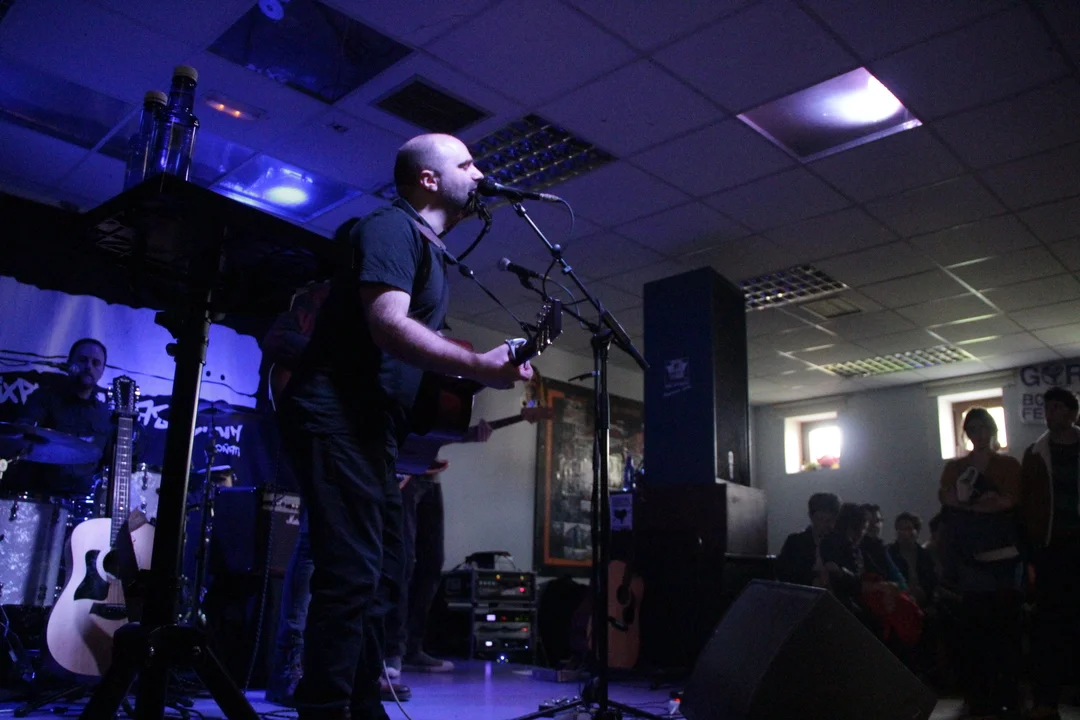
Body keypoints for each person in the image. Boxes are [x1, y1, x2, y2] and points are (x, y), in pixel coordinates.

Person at [275, 133, 533, 720]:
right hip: (336, 417)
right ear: (428, 179)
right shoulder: (391, 227)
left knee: (382, 572)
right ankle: (325, 709)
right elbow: (388, 326)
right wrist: (478, 365)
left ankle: (363, 705)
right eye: (467, 163)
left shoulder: (431, 252)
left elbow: (403, 361)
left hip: (375, 431)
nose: (480, 174)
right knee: (349, 573)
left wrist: (484, 372)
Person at [940, 407, 1023, 720]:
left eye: (983, 427)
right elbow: (948, 498)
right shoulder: (955, 467)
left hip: (1003, 555)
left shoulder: (1008, 465)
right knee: (975, 628)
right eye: (972, 428)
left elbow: (1009, 501)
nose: (978, 433)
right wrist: (983, 504)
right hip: (970, 556)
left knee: (1006, 627)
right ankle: (979, 696)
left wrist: (970, 504)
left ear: (992, 429)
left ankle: (1008, 695)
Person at [1021, 386, 1080, 720]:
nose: (1050, 414)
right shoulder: (1035, 454)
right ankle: (1046, 701)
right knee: (1048, 626)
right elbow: (1027, 504)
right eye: (1047, 408)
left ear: (1072, 413)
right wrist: (1032, 552)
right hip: (1052, 548)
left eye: (1057, 408)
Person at [10, 338, 112, 501]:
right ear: (70, 363)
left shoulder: (105, 414)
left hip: (83, 501)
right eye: (83, 360)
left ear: (102, 370)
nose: (89, 367)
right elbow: (20, 435)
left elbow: (109, 461)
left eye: (96, 363)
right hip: (39, 496)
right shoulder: (44, 398)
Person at [775, 492, 840, 586]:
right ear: (811, 516)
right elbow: (782, 573)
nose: (824, 525)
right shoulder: (795, 542)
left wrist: (839, 572)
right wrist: (811, 580)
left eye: (829, 520)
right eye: (820, 519)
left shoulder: (840, 543)